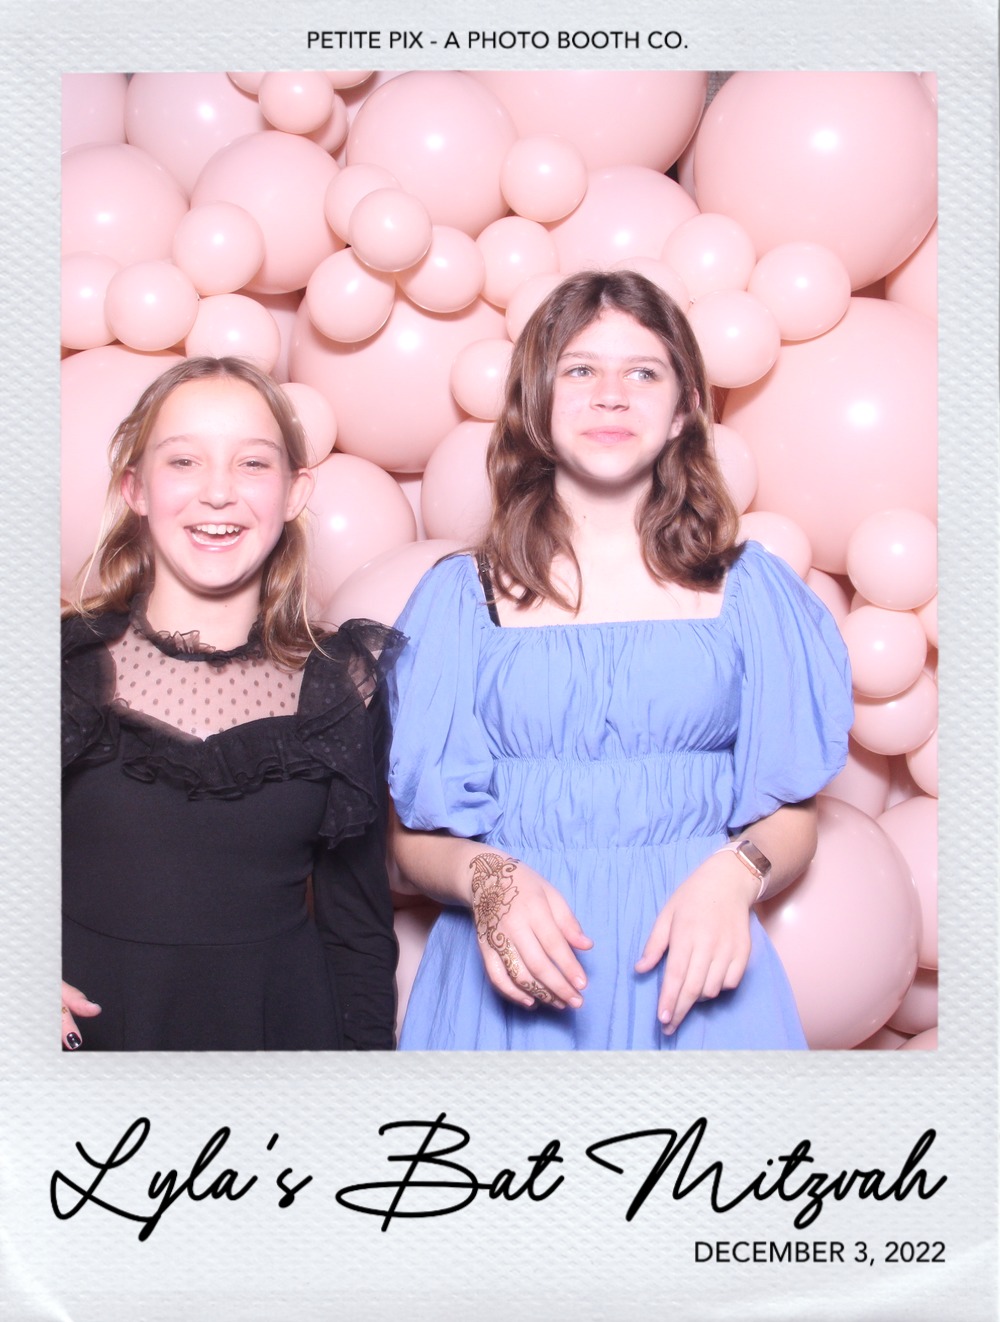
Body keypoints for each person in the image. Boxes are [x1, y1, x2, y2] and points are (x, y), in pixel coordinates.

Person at [386, 270, 852, 1051]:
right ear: (536, 403)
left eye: (643, 373)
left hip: (697, 981)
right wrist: (489, 880)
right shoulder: (459, 599)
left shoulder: (754, 592)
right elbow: (408, 841)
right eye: (580, 370)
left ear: (683, 411)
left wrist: (737, 874)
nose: (611, 396)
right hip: (507, 986)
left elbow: (794, 813)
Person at [61, 357, 399, 1051]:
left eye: (252, 464)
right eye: (184, 461)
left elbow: (359, 933)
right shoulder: (54, 666)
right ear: (136, 488)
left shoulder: (344, 688)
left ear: (295, 491)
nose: (218, 493)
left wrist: (364, 1091)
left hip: (278, 1053)